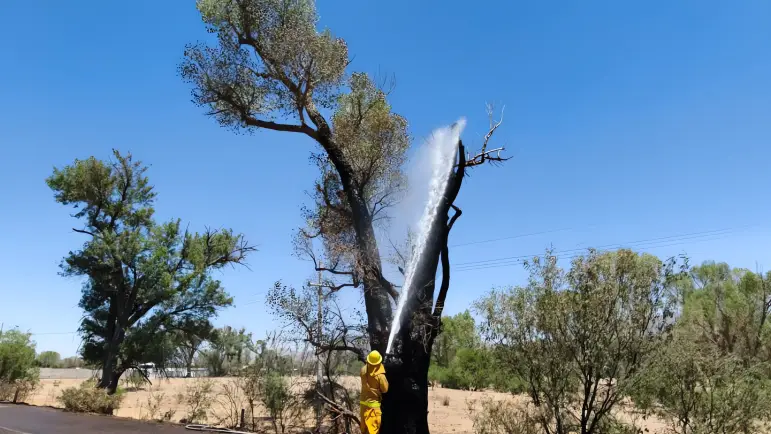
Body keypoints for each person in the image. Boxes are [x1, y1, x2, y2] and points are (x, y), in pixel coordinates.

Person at [360, 350, 389, 434]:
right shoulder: (380, 376)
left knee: (364, 429)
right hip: (373, 407)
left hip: (363, 405)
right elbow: (385, 389)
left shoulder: (363, 370)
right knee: (373, 431)